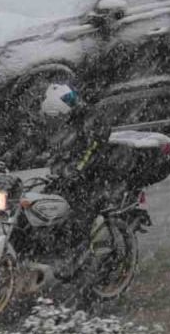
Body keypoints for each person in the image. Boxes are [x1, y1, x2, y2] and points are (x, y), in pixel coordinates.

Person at [38, 84, 115, 267]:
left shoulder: (91, 119)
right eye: (51, 118)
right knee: (41, 207)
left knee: (79, 214)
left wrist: (77, 170)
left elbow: (93, 147)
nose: (54, 122)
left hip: (94, 175)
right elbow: (32, 143)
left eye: (56, 117)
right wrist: (4, 160)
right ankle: (44, 250)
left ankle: (80, 260)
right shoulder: (59, 122)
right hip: (66, 176)